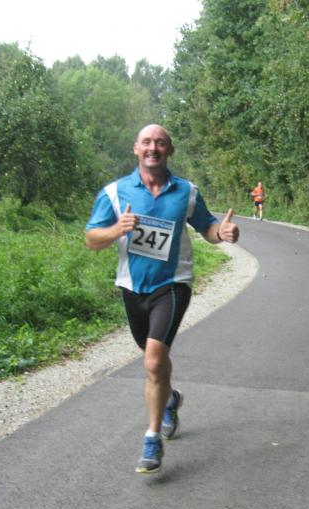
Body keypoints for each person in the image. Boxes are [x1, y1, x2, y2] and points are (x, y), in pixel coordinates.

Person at [85, 124, 239, 474]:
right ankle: (169, 398)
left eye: (160, 143)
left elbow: (208, 229)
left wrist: (223, 233)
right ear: (135, 149)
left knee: (154, 362)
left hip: (172, 284)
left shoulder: (186, 191)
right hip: (132, 287)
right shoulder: (114, 192)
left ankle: (152, 439)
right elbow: (92, 238)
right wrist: (117, 229)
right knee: (153, 356)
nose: (153, 148)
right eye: (147, 142)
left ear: (170, 150)